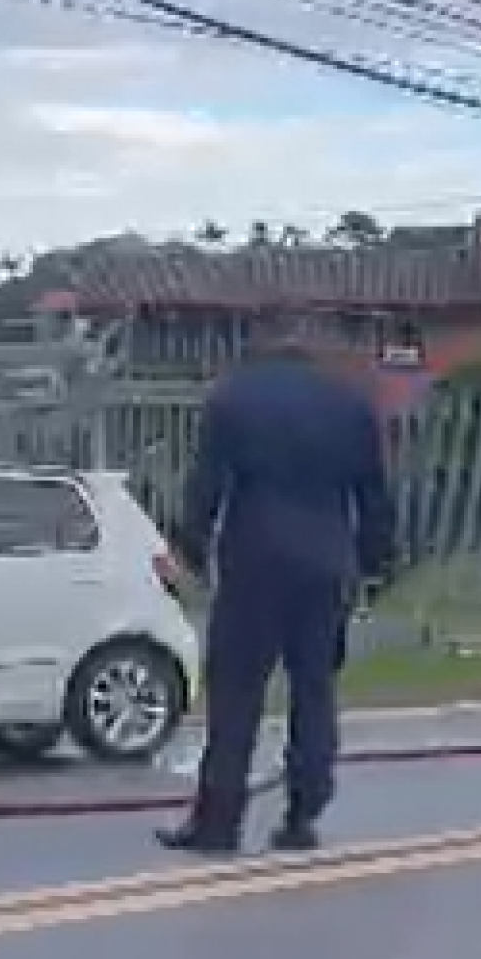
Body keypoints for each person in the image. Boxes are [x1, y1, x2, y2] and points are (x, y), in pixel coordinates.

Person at [158, 321, 396, 856]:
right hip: (326, 561)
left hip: (256, 558)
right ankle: (302, 813)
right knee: (314, 688)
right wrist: (378, 564)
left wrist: (188, 549)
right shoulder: (350, 405)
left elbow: (208, 483)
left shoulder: (233, 399)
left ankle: (219, 822)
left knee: (236, 691)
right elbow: (373, 494)